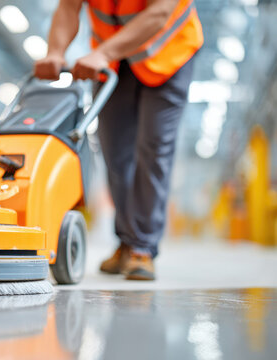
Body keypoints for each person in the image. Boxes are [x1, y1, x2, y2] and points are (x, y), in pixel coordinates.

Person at [34, 0, 203, 280]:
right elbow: (68, 8)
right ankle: (126, 240)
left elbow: (159, 13)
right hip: (115, 61)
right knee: (114, 150)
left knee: (153, 147)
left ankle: (142, 248)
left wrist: (103, 51)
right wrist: (55, 51)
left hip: (169, 53)